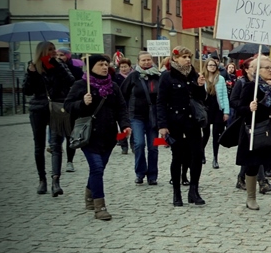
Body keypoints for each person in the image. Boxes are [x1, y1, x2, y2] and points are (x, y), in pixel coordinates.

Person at [63, 54, 131, 221]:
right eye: (100, 64)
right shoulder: (81, 85)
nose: (104, 67)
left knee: (99, 169)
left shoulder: (113, 86)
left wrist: (125, 125)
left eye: (106, 64)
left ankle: (89, 194)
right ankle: (100, 207)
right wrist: (82, 102)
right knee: (97, 168)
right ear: (91, 67)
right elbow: (67, 106)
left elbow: (121, 108)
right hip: (89, 136)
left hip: (108, 136)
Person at [231, 55, 271, 212]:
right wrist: (249, 108)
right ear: (257, 70)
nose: (270, 70)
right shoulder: (250, 87)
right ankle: (251, 198)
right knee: (253, 165)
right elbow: (239, 107)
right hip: (256, 130)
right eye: (267, 68)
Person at [22, 41, 76, 196]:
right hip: (38, 108)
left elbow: (70, 81)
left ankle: (56, 181)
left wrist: (57, 66)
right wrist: (31, 73)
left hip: (57, 107)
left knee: (56, 145)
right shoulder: (33, 66)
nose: (54, 51)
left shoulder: (59, 65)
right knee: (39, 146)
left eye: (54, 49)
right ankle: (42, 180)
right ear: (42, 51)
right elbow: (27, 90)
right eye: (50, 49)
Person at [156, 46, 208, 207]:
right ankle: (177, 192)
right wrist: (162, 125)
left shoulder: (194, 75)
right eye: (184, 57)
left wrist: (200, 86)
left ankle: (194, 190)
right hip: (175, 122)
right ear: (175, 58)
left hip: (192, 122)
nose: (187, 60)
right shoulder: (167, 76)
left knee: (197, 155)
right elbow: (161, 102)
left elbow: (201, 99)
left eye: (189, 57)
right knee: (178, 157)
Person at [121, 52, 162, 185]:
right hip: (136, 116)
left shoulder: (158, 76)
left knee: (154, 147)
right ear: (138, 62)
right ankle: (140, 173)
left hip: (154, 117)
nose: (146, 62)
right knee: (139, 144)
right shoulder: (133, 76)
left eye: (148, 59)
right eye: (143, 60)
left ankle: (152, 175)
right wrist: (126, 114)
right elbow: (122, 95)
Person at [55, 47, 82, 173]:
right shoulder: (52, 68)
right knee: (56, 135)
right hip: (56, 104)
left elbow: (79, 85)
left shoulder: (75, 69)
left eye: (62, 55)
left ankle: (69, 161)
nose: (59, 57)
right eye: (57, 55)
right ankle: (56, 163)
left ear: (68, 56)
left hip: (71, 105)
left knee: (69, 134)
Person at [200, 58, 230, 169]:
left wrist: (226, 112)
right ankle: (201, 153)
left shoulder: (220, 78)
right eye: (210, 65)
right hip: (206, 109)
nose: (212, 67)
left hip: (217, 108)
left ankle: (215, 158)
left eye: (214, 65)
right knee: (206, 134)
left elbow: (225, 96)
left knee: (216, 134)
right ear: (206, 66)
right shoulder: (202, 78)